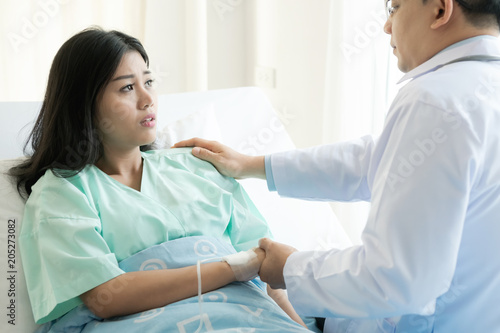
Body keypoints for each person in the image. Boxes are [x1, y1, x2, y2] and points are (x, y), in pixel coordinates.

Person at [173, 0, 500, 332]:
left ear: (440, 11)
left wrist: (289, 268)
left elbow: (396, 280)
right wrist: (252, 165)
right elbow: (377, 161)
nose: (387, 26)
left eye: (395, 7)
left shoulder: (434, 100)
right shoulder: (477, 90)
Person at [10, 27, 313, 331]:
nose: (147, 99)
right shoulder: (62, 191)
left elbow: (266, 273)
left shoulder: (197, 166)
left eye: (149, 82)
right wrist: (232, 268)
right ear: (84, 103)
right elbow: (105, 297)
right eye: (127, 88)